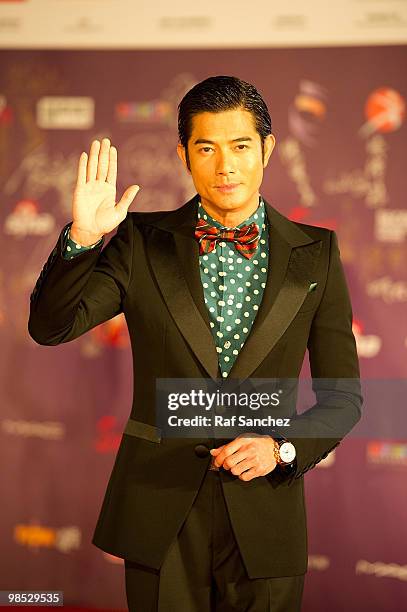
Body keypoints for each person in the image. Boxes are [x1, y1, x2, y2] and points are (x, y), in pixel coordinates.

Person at [28, 75, 362, 611]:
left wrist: (281, 449)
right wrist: (83, 240)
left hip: (266, 517)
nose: (225, 165)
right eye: (206, 147)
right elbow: (50, 327)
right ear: (184, 154)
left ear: (268, 149)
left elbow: (343, 397)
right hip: (159, 514)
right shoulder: (140, 241)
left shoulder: (316, 253)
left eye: (240, 146)